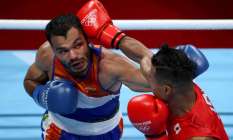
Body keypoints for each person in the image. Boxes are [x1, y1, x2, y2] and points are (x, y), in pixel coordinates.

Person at [76, 0, 229, 140]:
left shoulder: (198, 135)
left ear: (166, 90)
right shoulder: (182, 81)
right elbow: (143, 56)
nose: (146, 76)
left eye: (150, 80)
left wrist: (156, 135)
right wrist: (106, 32)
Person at [23, 13, 151, 139]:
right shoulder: (47, 55)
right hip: (58, 130)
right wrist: (42, 95)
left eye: (78, 45)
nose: (73, 56)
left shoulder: (109, 66)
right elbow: (30, 80)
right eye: (63, 51)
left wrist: (119, 39)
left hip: (105, 133)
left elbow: (157, 82)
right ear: (53, 49)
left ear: (87, 40)